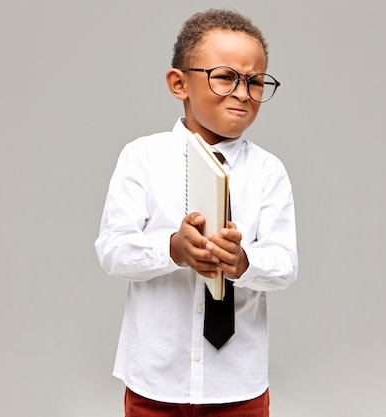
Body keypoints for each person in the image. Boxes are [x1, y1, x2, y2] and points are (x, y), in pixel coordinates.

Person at [94, 8, 298, 416]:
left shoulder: (268, 171)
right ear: (178, 83)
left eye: (255, 81)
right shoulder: (141, 158)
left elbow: (284, 264)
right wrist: (174, 250)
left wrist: (243, 261)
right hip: (156, 381)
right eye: (225, 77)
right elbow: (112, 251)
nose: (243, 91)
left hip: (238, 386)